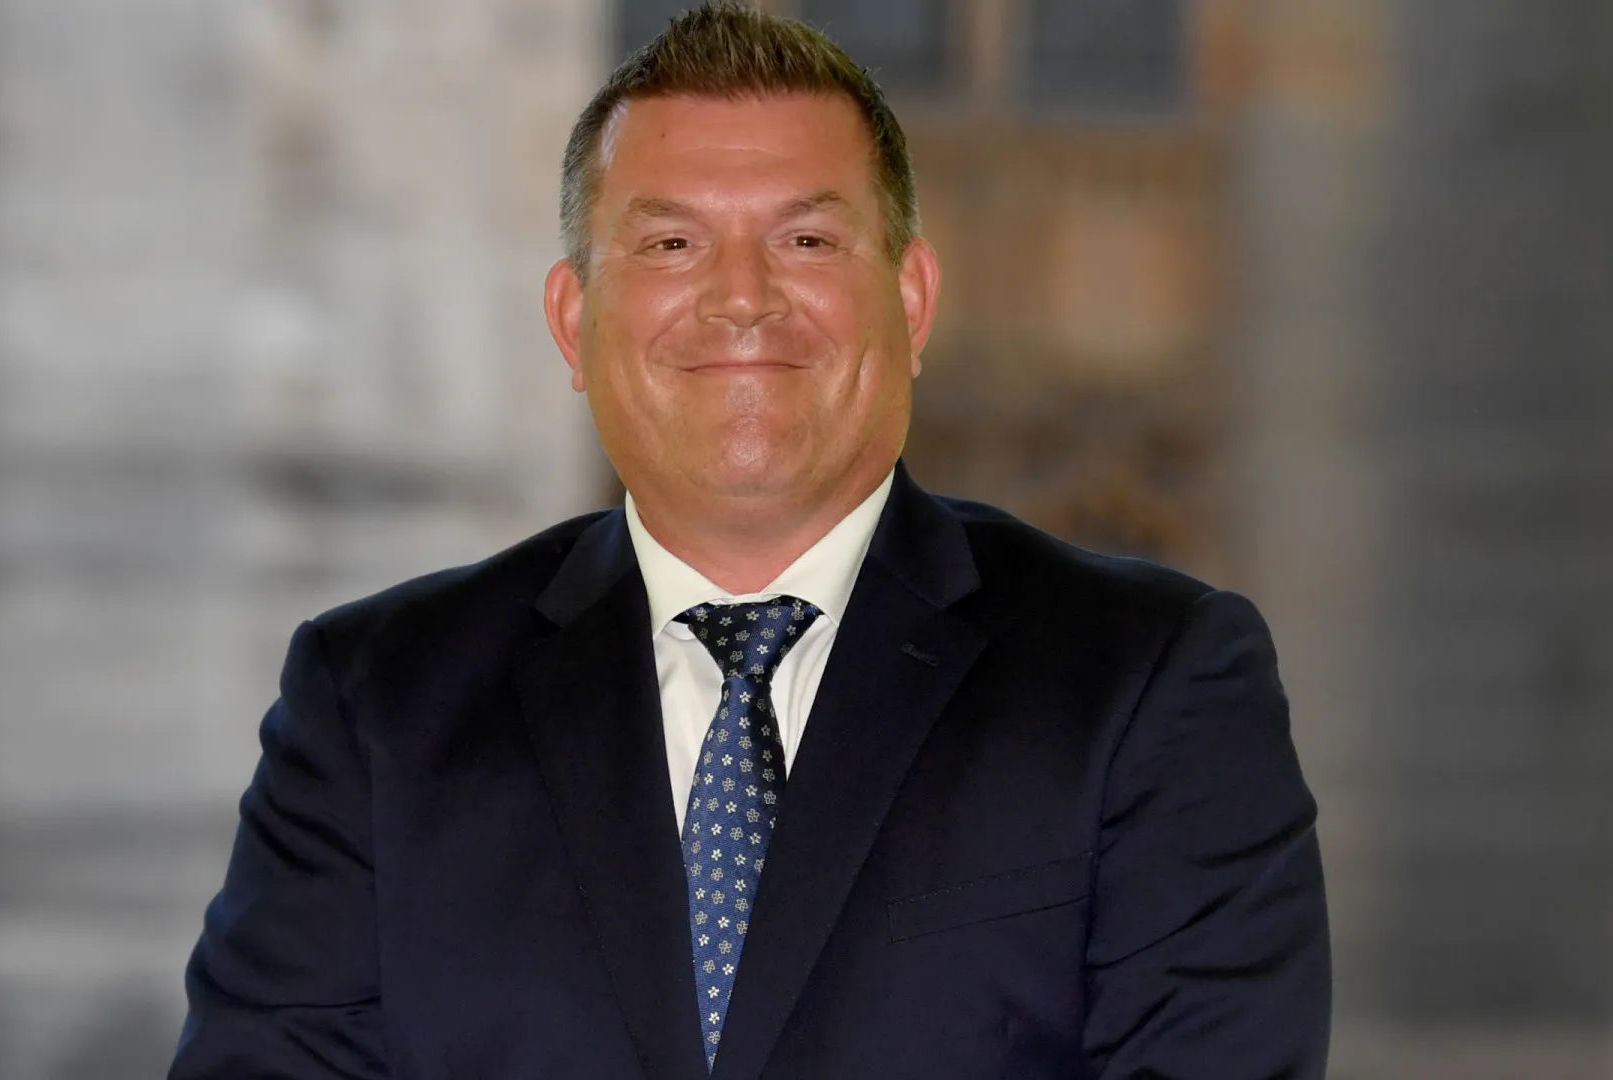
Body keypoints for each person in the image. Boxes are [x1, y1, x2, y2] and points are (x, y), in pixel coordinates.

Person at [168, 5, 1330, 1078]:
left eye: (808, 242)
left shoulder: (1149, 682)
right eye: (671, 245)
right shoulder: (376, 703)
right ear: (573, 320)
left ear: (913, 302)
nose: (740, 298)